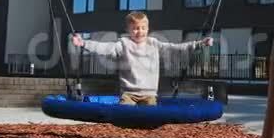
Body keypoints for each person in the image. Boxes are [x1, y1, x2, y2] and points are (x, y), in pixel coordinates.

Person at [71, 11, 213, 106]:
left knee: (149, 119)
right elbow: (104, 48)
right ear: (128, 30)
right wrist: (83, 43)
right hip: (128, 94)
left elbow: (175, 48)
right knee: (125, 116)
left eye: (143, 28)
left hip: (149, 93)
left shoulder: (154, 44)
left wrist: (199, 44)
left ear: (147, 28)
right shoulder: (123, 44)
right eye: (135, 28)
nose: (139, 31)